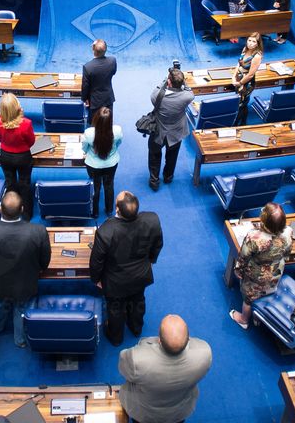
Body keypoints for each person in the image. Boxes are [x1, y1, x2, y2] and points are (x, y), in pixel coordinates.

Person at [0, 191, 51, 347]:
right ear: (22, 209)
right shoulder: (39, 231)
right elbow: (45, 260)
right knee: (23, 309)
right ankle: (20, 339)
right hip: (26, 283)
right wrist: (40, 269)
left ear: (0, 209)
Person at [90, 191, 164, 346]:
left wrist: (96, 279)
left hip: (115, 282)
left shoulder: (105, 231)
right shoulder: (152, 220)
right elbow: (158, 244)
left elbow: (97, 261)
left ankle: (116, 338)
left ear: (117, 209)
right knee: (138, 301)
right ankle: (136, 328)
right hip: (141, 276)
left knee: (115, 309)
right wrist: (151, 261)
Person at [118, 314, 213, 423]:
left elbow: (123, 370)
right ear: (188, 339)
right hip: (179, 412)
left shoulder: (137, 359)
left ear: (159, 340)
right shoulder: (204, 353)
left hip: (144, 414)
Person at [230, 202, 291, 330]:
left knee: (249, 297)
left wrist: (238, 270)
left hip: (256, 276)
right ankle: (258, 316)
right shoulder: (289, 232)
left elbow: (243, 257)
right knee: (266, 291)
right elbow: (287, 252)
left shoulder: (254, 237)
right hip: (275, 272)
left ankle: (243, 320)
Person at [148, 68, 194, 190]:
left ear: (168, 82)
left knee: (154, 155)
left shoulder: (156, 96)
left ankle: (154, 181)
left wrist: (165, 79)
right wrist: (182, 81)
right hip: (176, 132)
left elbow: (159, 87)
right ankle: (168, 177)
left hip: (158, 131)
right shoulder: (187, 97)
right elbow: (189, 90)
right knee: (172, 155)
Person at [0, 93, 36, 218]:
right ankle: (27, 214)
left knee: (10, 182)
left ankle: (11, 212)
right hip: (23, 157)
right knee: (25, 183)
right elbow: (31, 142)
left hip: (5, 156)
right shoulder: (26, 123)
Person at [83, 107, 123, 217]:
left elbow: (84, 148)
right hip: (111, 163)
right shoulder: (117, 131)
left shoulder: (89, 133)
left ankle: (94, 212)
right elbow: (119, 143)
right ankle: (109, 209)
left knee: (96, 187)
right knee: (109, 185)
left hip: (93, 165)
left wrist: (87, 152)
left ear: (96, 119)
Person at [81, 38, 117, 121]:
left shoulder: (87, 67)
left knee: (95, 124)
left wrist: (84, 99)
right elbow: (113, 72)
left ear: (93, 49)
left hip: (94, 102)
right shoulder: (112, 61)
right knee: (107, 123)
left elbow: (85, 86)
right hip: (108, 99)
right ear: (106, 49)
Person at [232, 32, 263, 126]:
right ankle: (243, 123)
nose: (250, 43)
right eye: (249, 40)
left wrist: (239, 83)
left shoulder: (257, 56)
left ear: (258, 43)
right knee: (242, 103)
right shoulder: (245, 49)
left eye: (254, 41)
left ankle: (235, 125)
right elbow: (239, 63)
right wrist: (234, 76)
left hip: (246, 83)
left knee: (240, 104)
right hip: (238, 78)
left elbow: (250, 75)